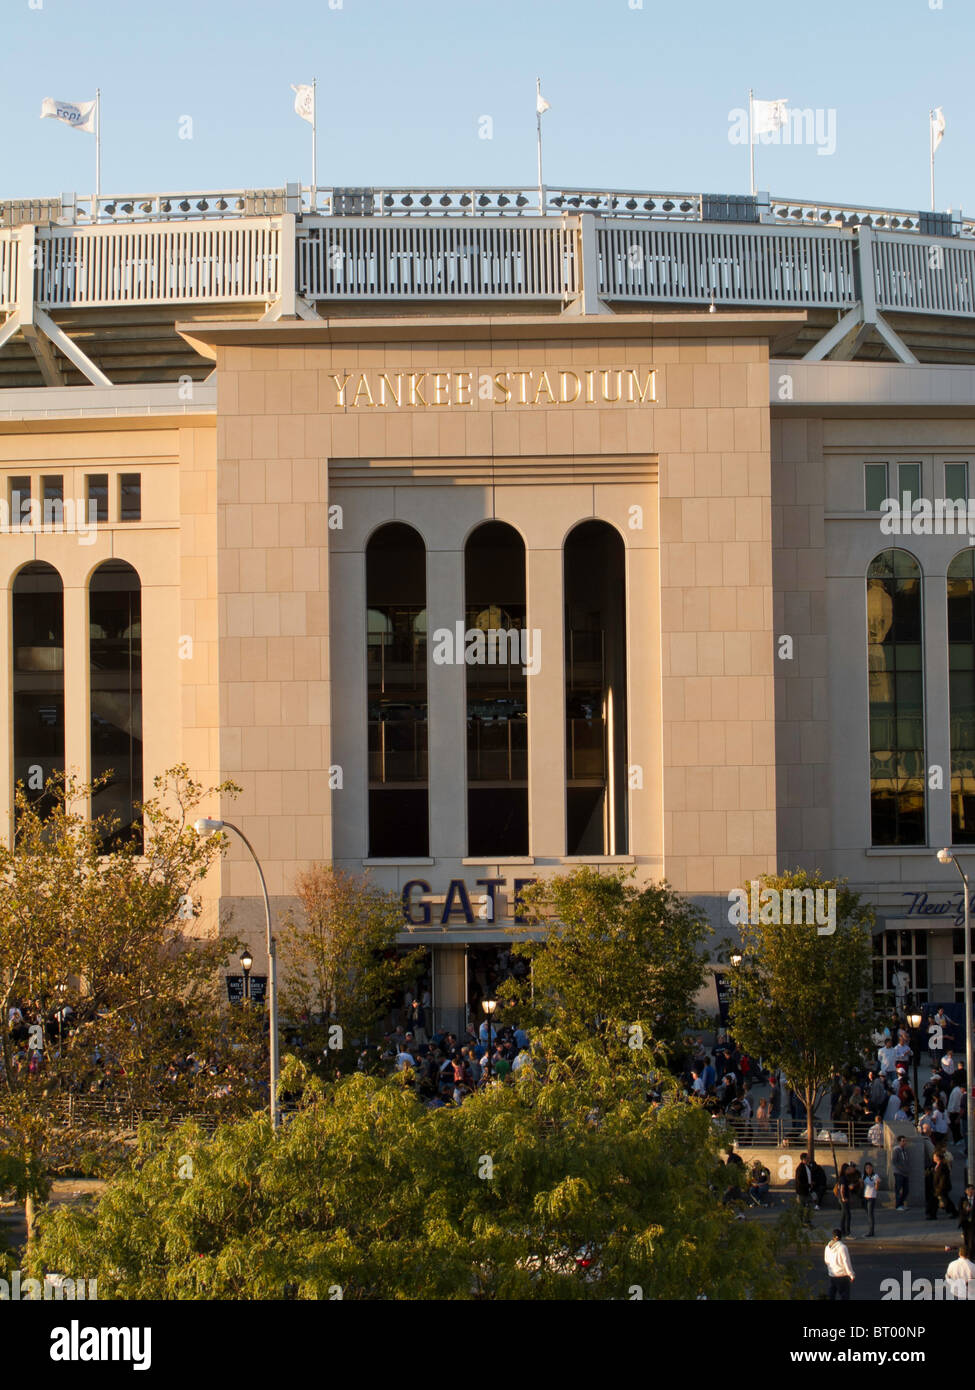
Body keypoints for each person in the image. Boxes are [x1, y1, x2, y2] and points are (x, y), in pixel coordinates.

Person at [825, 1229, 855, 1300]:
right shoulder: (843, 1247)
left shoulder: (827, 1247)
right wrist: (851, 1274)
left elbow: (826, 1261)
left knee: (831, 1295)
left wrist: (831, 1269)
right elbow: (846, 1262)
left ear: (833, 1236)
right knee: (844, 1296)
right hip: (842, 1276)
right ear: (841, 1237)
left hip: (832, 1275)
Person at [933, 1150, 958, 1218]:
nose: (933, 1157)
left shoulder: (942, 1165)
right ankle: (953, 1212)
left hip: (942, 1187)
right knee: (945, 1200)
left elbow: (943, 1178)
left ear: (938, 1157)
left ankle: (953, 1212)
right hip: (940, 1187)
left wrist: (939, 1188)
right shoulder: (938, 1165)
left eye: (934, 1156)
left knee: (946, 1200)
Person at [892, 1135, 911, 1210]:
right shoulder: (896, 1150)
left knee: (906, 1190)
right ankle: (898, 1205)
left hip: (905, 1173)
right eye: (903, 1141)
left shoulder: (904, 1150)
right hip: (899, 1173)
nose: (905, 1142)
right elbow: (894, 1161)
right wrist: (900, 1168)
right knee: (898, 1189)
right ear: (899, 1142)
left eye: (905, 1141)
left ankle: (902, 1203)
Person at [862, 1162, 880, 1237]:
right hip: (865, 1197)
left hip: (871, 1197)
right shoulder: (863, 1176)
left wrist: (877, 1183)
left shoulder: (875, 1176)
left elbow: (876, 1188)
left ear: (872, 1168)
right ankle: (870, 1230)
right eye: (866, 1168)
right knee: (868, 1214)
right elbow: (862, 1186)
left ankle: (871, 1231)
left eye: (869, 1168)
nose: (868, 1169)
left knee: (870, 1215)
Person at [958, 1183, 975, 1258]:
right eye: (969, 1190)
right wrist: (966, 1211)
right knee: (966, 1239)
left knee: (972, 1239)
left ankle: (971, 1255)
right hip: (965, 1223)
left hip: (973, 1223)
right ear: (966, 1191)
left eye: (972, 1190)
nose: (970, 1191)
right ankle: (967, 1253)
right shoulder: (962, 1200)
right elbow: (960, 1211)